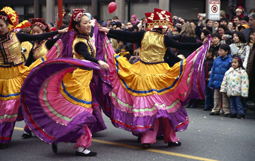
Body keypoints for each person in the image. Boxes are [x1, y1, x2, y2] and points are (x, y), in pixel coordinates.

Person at [99, 8, 209, 149]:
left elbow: (126, 36)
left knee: (148, 106)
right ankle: (168, 137)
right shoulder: (161, 37)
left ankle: (148, 137)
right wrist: (202, 44)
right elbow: (182, 45)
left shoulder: (145, 35)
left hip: (144, 73)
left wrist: (108, 31)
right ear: (163, 27)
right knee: (163, 107)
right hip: (157, 74)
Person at [21, 8, 109, 156]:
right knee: (83, 115)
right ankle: (80, 146)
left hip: (83, 82)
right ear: (77, 26)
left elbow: (93, 27)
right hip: (78, 84)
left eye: (89, 23)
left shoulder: (86, 36)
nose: (89, 25)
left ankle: (61, 138)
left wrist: (102, 28)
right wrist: (98, 61)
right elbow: (86, 55)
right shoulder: (79, 42)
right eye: (85, 23)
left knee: (78, 116)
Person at [0, 9, 67, 149]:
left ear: (7, 24)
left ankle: (5, 137)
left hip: (18, 75)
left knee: (13, 106)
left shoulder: (17, 36)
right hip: (2, 77)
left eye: (1, 25)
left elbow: (38, 38)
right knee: (4, 109)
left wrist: (58, 33)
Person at [208, 44, 232, 116]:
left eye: (221, 51)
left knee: (225, 97)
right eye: (219, 50)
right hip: (216, 81)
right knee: (216, 97)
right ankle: (215, 109)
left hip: (224, 82)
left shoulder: (230, 60)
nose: (219, 52)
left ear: (226, 51)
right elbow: (213, 71)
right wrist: (211, 82)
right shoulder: (217, 59)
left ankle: (226, 110)